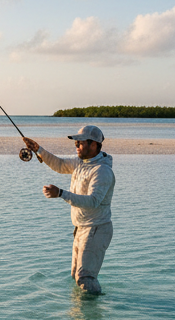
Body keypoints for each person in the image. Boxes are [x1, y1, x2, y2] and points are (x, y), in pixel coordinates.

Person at [21, 124, 115, 295]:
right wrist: (38, 149)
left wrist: (61, 193)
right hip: (81, 228)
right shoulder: (80, 163)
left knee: (85, 278)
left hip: (96, 228)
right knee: (75, 276)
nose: (76, 146)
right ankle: (81, 315)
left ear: (93, 145)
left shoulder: (102, 171)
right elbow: (59, 164)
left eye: (80, 143)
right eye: (76, 143)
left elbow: (93, 201)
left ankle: (96, 315)